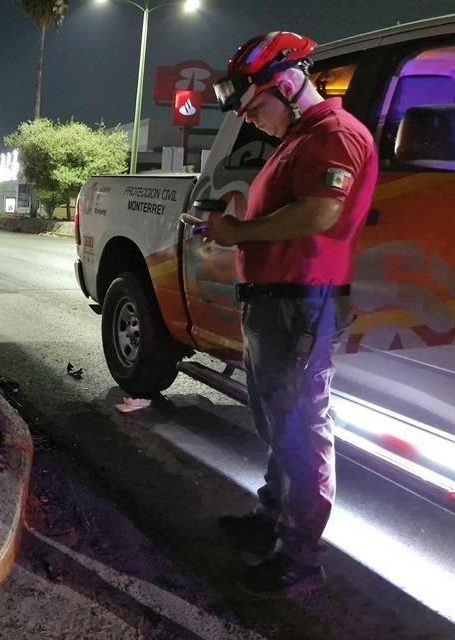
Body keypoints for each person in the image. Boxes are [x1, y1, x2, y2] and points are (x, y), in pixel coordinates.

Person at [184, 32, 378, 597]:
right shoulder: (301, 137)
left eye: (256, 105)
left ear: (289, 83)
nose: (252, 119)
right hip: (278, 301)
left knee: (300, 429)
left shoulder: (334, 134)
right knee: (277, 420)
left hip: (301, 302)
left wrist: (239, 232)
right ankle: (270, 519)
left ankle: (300, 559)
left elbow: (319, 213)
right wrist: (237, 224)